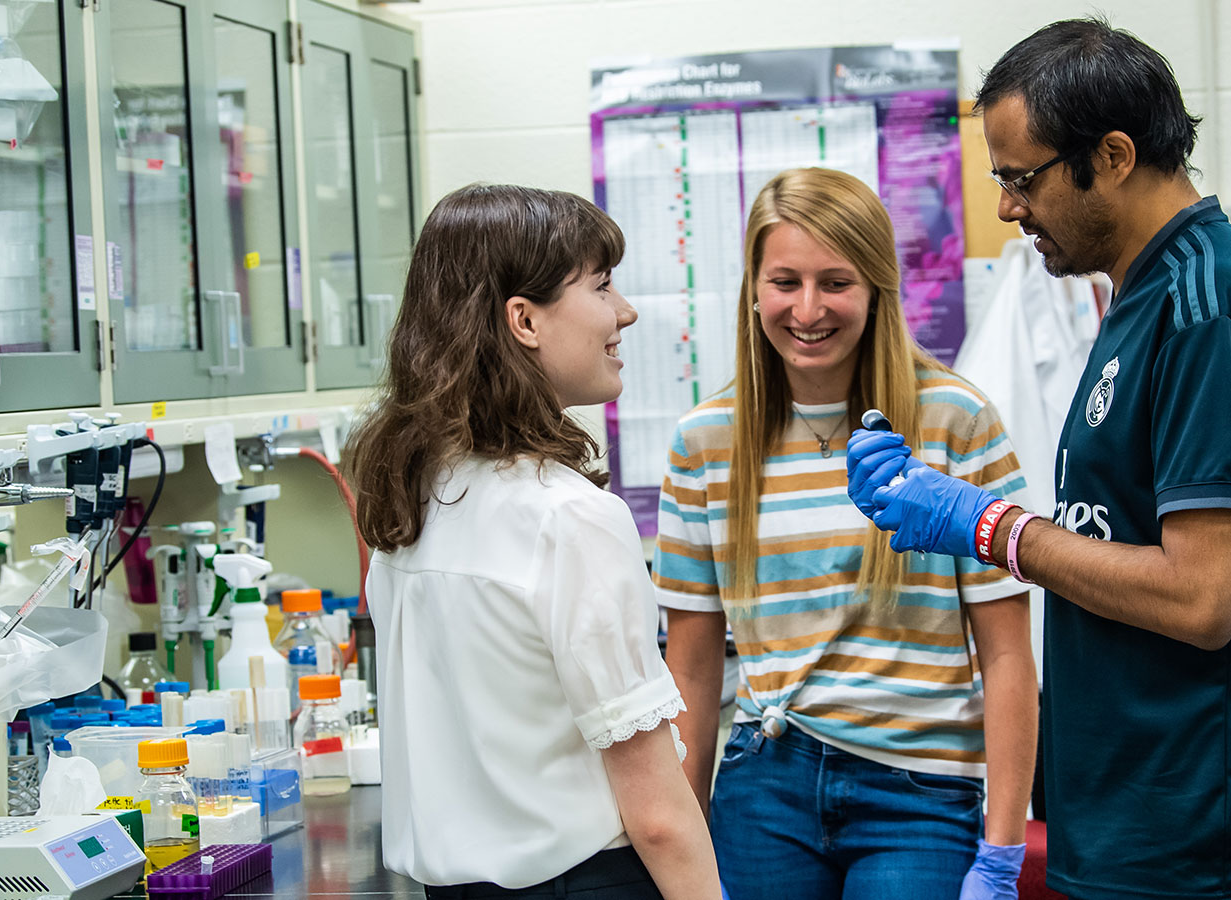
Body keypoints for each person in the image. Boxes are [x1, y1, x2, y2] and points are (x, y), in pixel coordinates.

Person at [846, 19, 1231, 900]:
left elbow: (1203, 600)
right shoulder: (1140, 295)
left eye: (1020, 178)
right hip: (1142, 824)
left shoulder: (1211, 309)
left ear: (1113, 155)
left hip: (1209, 844)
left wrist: (990, 526)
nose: (1008, 206)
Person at [653, 167, 1039, 900]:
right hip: (762, 788)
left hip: (917, 796)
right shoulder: (705, 442)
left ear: (875, 289)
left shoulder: (955, 422)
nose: (807, 309)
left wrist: (1003, 852)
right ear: (753, 289)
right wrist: (679, 841)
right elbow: (694, 672)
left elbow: (1009, 656)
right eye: (784, 281)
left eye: (835, 282)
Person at [350, 184, 722, 900]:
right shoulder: (569, 518)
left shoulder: (411, 501)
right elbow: (658, 816)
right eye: (602, 286)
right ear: (523, 319)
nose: (625, 312)